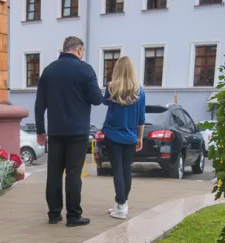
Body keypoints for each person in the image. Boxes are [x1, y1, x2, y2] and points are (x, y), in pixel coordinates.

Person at [35, 36, 104, 227]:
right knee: (73, 173)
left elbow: (40, 104)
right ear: (79, 50)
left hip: (55, 132)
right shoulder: (85, 69)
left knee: (54, 172)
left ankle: (54, 214)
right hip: (77, 132)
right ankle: (73, 216)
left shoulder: (49, 71)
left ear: (64, 49)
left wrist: (41, 130)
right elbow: (97, 99)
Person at [101, 56, 145, 220]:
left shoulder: (111, 87)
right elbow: (141, 117)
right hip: (130, 136)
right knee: (126, 169)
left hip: (112, 134)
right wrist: (140, 137)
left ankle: (121, 205)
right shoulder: (139, 91)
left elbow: (104, 102)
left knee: (117, 169)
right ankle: (122, 203)